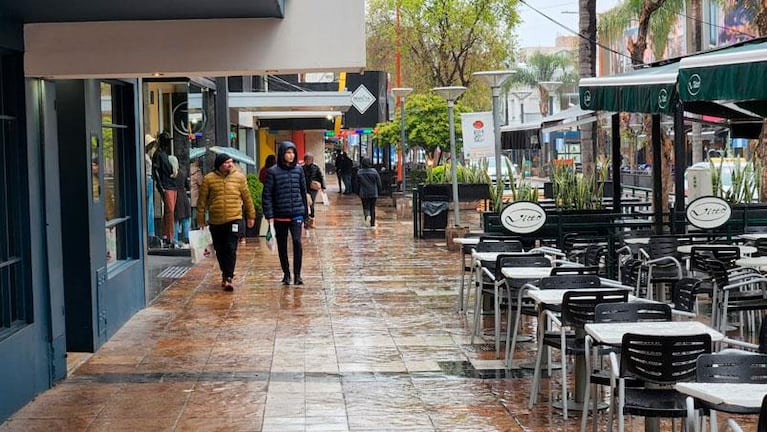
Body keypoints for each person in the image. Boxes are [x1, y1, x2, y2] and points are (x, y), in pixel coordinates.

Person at [197, 154, 255, 291]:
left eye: (231, 162)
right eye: (226, 163)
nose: (230, 165)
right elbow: (202, 201)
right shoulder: (208, 179)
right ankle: (225, 273)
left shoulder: (239, 177)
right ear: (219, 165)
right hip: (215, 221)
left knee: (231, 248)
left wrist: (251, 215)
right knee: (220, 250)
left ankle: (229, 278)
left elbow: (247, 198)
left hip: (234, 218)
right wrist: (200, 219)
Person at [262, 141, 308, 286]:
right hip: (280, 214)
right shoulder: (273, 172)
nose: (291, 155)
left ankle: (298, 275)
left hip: (296, 214)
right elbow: (267, 195)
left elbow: (303, 191)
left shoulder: (299, 170)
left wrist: (306, 214)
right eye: (288, 152)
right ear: (282, 154)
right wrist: (269, 215)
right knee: (282, 245)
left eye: (293, 152)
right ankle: (286, 274)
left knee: (297, 242)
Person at [152, 132, 177, 243]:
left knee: (169, 211)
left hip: (171, 184)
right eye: (166, 140)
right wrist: (160, 186)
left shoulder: (165, 154)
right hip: (165, 185)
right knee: (170, 211)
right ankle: (169, 236)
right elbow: (155, 170)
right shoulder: (158, 154)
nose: (168, 143)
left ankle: (166, 235)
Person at [169, 155, 191, 246]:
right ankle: (186, 238)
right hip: (183, 197)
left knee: (175, 219)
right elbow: (187, 186)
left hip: (175, 197)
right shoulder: (182, 173)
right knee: (185, 219)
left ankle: (175, 239)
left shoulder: (170, 175)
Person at [356, 158, 382, 228]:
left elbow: (357, 184)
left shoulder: (359, 172)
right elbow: (379, 183)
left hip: (363, 193)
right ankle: (372, 223)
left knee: (365, 206)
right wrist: (379, 191)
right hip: (373, 193)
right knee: (372, 208)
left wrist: (357, 192)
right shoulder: (374, 172)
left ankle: (367, 217)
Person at [302, 152, 325, 228]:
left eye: (310, 159)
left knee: (312, 204)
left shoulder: (316, 167)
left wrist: (323, 187)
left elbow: (321, 177)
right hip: (304, 188)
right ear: (305, 160)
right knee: (305, 204)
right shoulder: (301, 168)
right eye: (307, 159)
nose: (308, 161)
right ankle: (306, 220)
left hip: (313, 188)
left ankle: (312, 220)